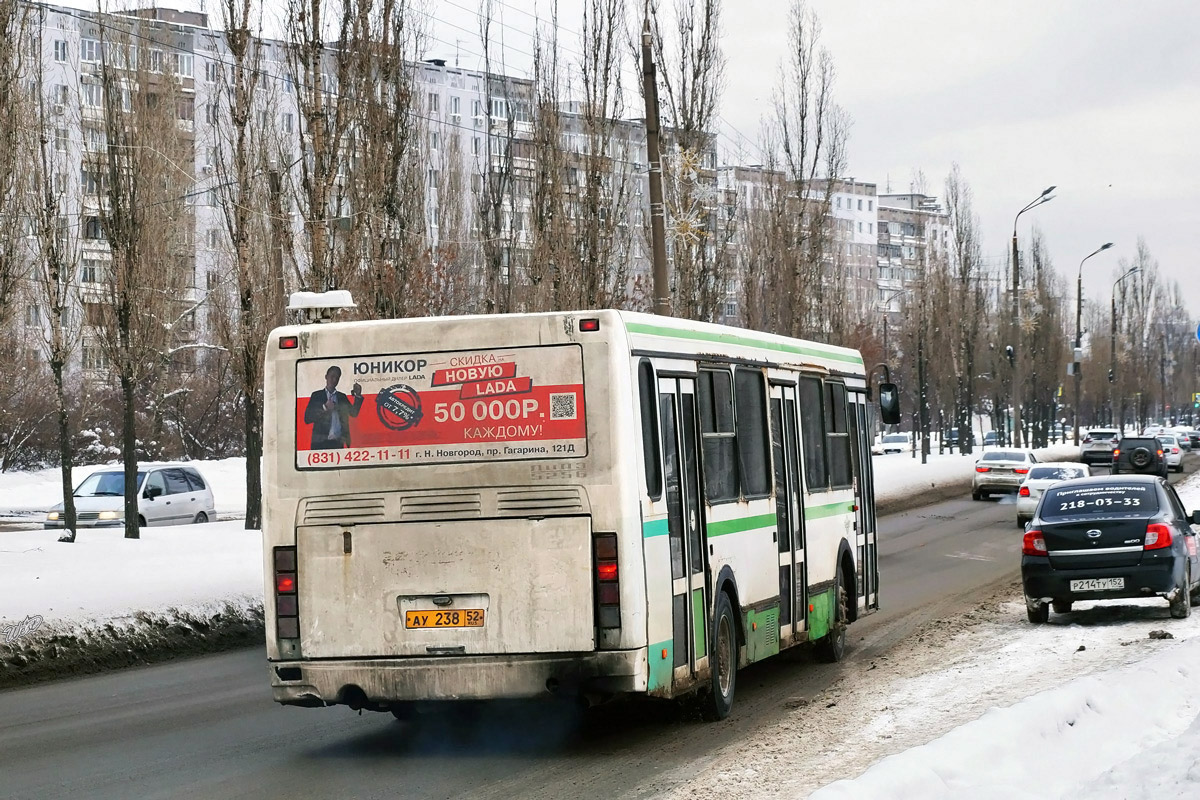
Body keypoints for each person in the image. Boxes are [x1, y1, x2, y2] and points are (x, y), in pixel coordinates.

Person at [304, 366, 364, 449]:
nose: (334, 380)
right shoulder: (316, 396)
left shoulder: (342, 397)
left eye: (337, 378)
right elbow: (307, 418)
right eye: (332, 376)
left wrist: (358, 395)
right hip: (320, 444)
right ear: (326, 377)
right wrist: (324, 407)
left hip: (338, 444)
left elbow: (353, 413)